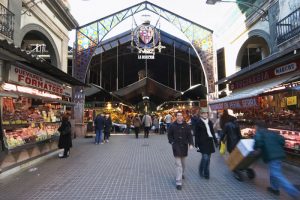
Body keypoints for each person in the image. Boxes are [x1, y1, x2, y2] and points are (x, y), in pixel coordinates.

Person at [253, 120, 300, 199]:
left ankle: (295, 192)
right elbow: (282, 140)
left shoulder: (259, 133)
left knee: (276, 174)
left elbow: (258, 143)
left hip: (272, 156)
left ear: (258, 127)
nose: (254, 128)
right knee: (273, 172)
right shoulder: (272, 132)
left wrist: (255, 150)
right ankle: (274, 188)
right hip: (279, 155)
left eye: (255, 127)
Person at [168, 112, 194, 190]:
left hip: (184, 146)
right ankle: (178, 182)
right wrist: (172, 142)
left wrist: (191, 144)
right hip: (176, 146)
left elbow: (190, 135)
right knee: (178, 164)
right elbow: (169, 135)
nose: (179, 117)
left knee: (183, 164)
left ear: (183, 117)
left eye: (181, 115)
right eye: (178, 115)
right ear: (176, 117)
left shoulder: (186, 126)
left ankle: (182, 173)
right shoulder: (172, 125)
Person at [194, 107, 218, 180]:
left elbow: (212, 132)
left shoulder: (209, 122)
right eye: (203, 113)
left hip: (209, 142)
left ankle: (205, 172)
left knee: (208, 159)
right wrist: (196, 144)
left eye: (206, 113)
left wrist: (216, 141)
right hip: (202, 143)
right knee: (205, 158)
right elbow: (196, 134)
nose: (205, 115)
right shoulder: (198, 122)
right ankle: (203, 171)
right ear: (201, 114)